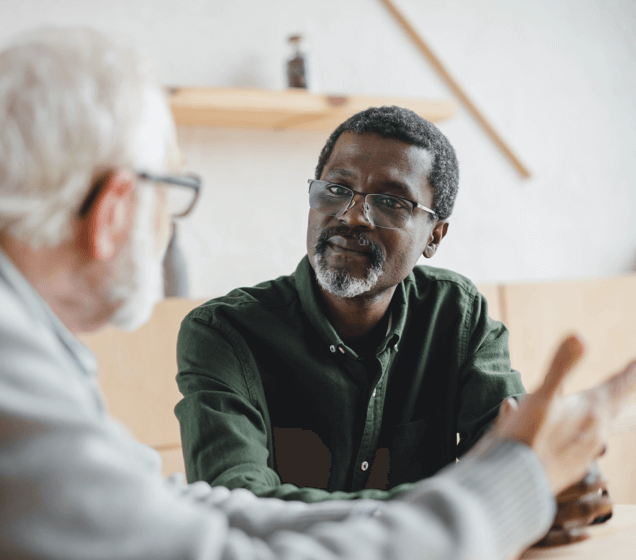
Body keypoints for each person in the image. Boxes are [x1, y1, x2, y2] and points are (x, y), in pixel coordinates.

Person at [0, 27, 633, 560]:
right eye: (173, 191)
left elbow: (177, 507)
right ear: (116, 209)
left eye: (392, 202)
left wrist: (525, 481)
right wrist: (508, 494)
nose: (352, 214)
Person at [174, 106, 612, 542]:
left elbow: (519, 456)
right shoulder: (224, 333)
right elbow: (235, 505)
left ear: (434, 236)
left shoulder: (458, 316)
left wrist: (565, 476)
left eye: (390, 202)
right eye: (336, 189)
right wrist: (483, 506)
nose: (352, 216)